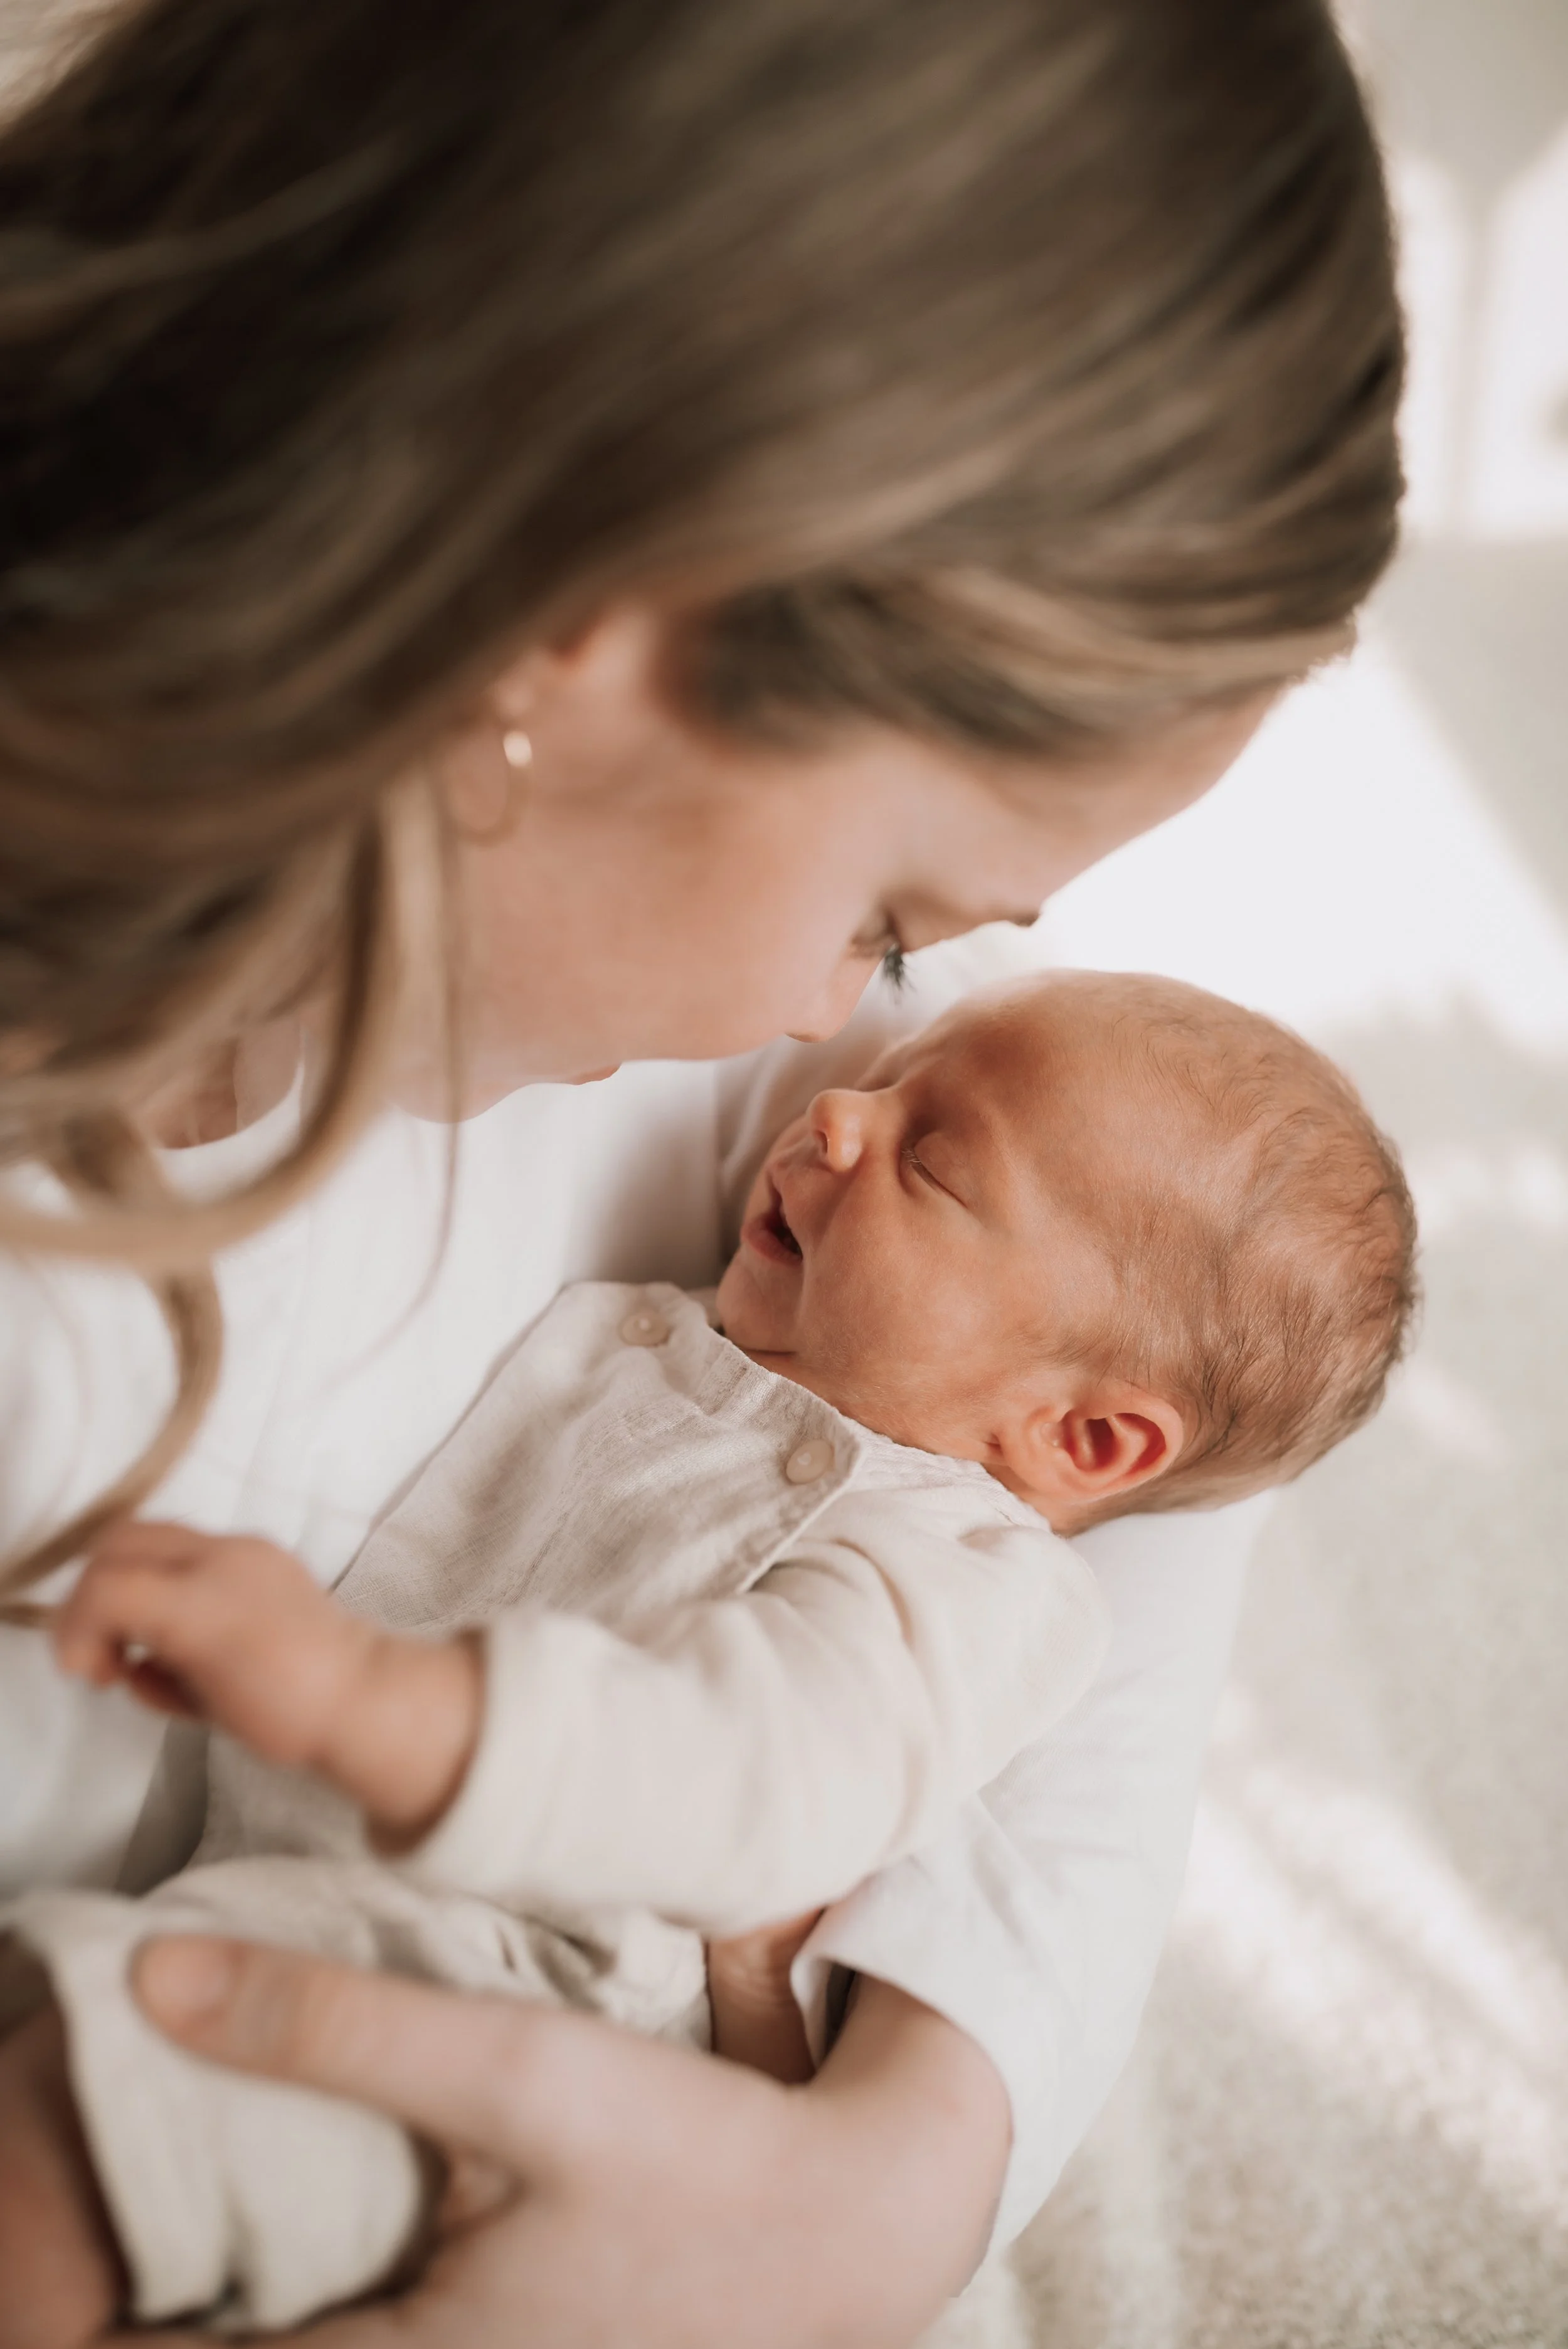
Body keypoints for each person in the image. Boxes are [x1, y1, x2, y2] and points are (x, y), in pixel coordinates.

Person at [0, 0, 1404, 2340]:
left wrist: (908, 2165)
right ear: (582, 621)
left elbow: (1171, 1428)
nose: (852, 1036)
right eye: (894, 912)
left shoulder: (740, 1079)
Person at [1, 975, 1417, 2341]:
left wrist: (379, 1705)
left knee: (48, 2170)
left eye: (930, 1163)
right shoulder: (690, 1336)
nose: (834, 1119)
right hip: (271, 1908)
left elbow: (750, 1775)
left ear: (1085, 1441)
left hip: (498, 2023)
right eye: (875, 1084)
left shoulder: (968, 1586)